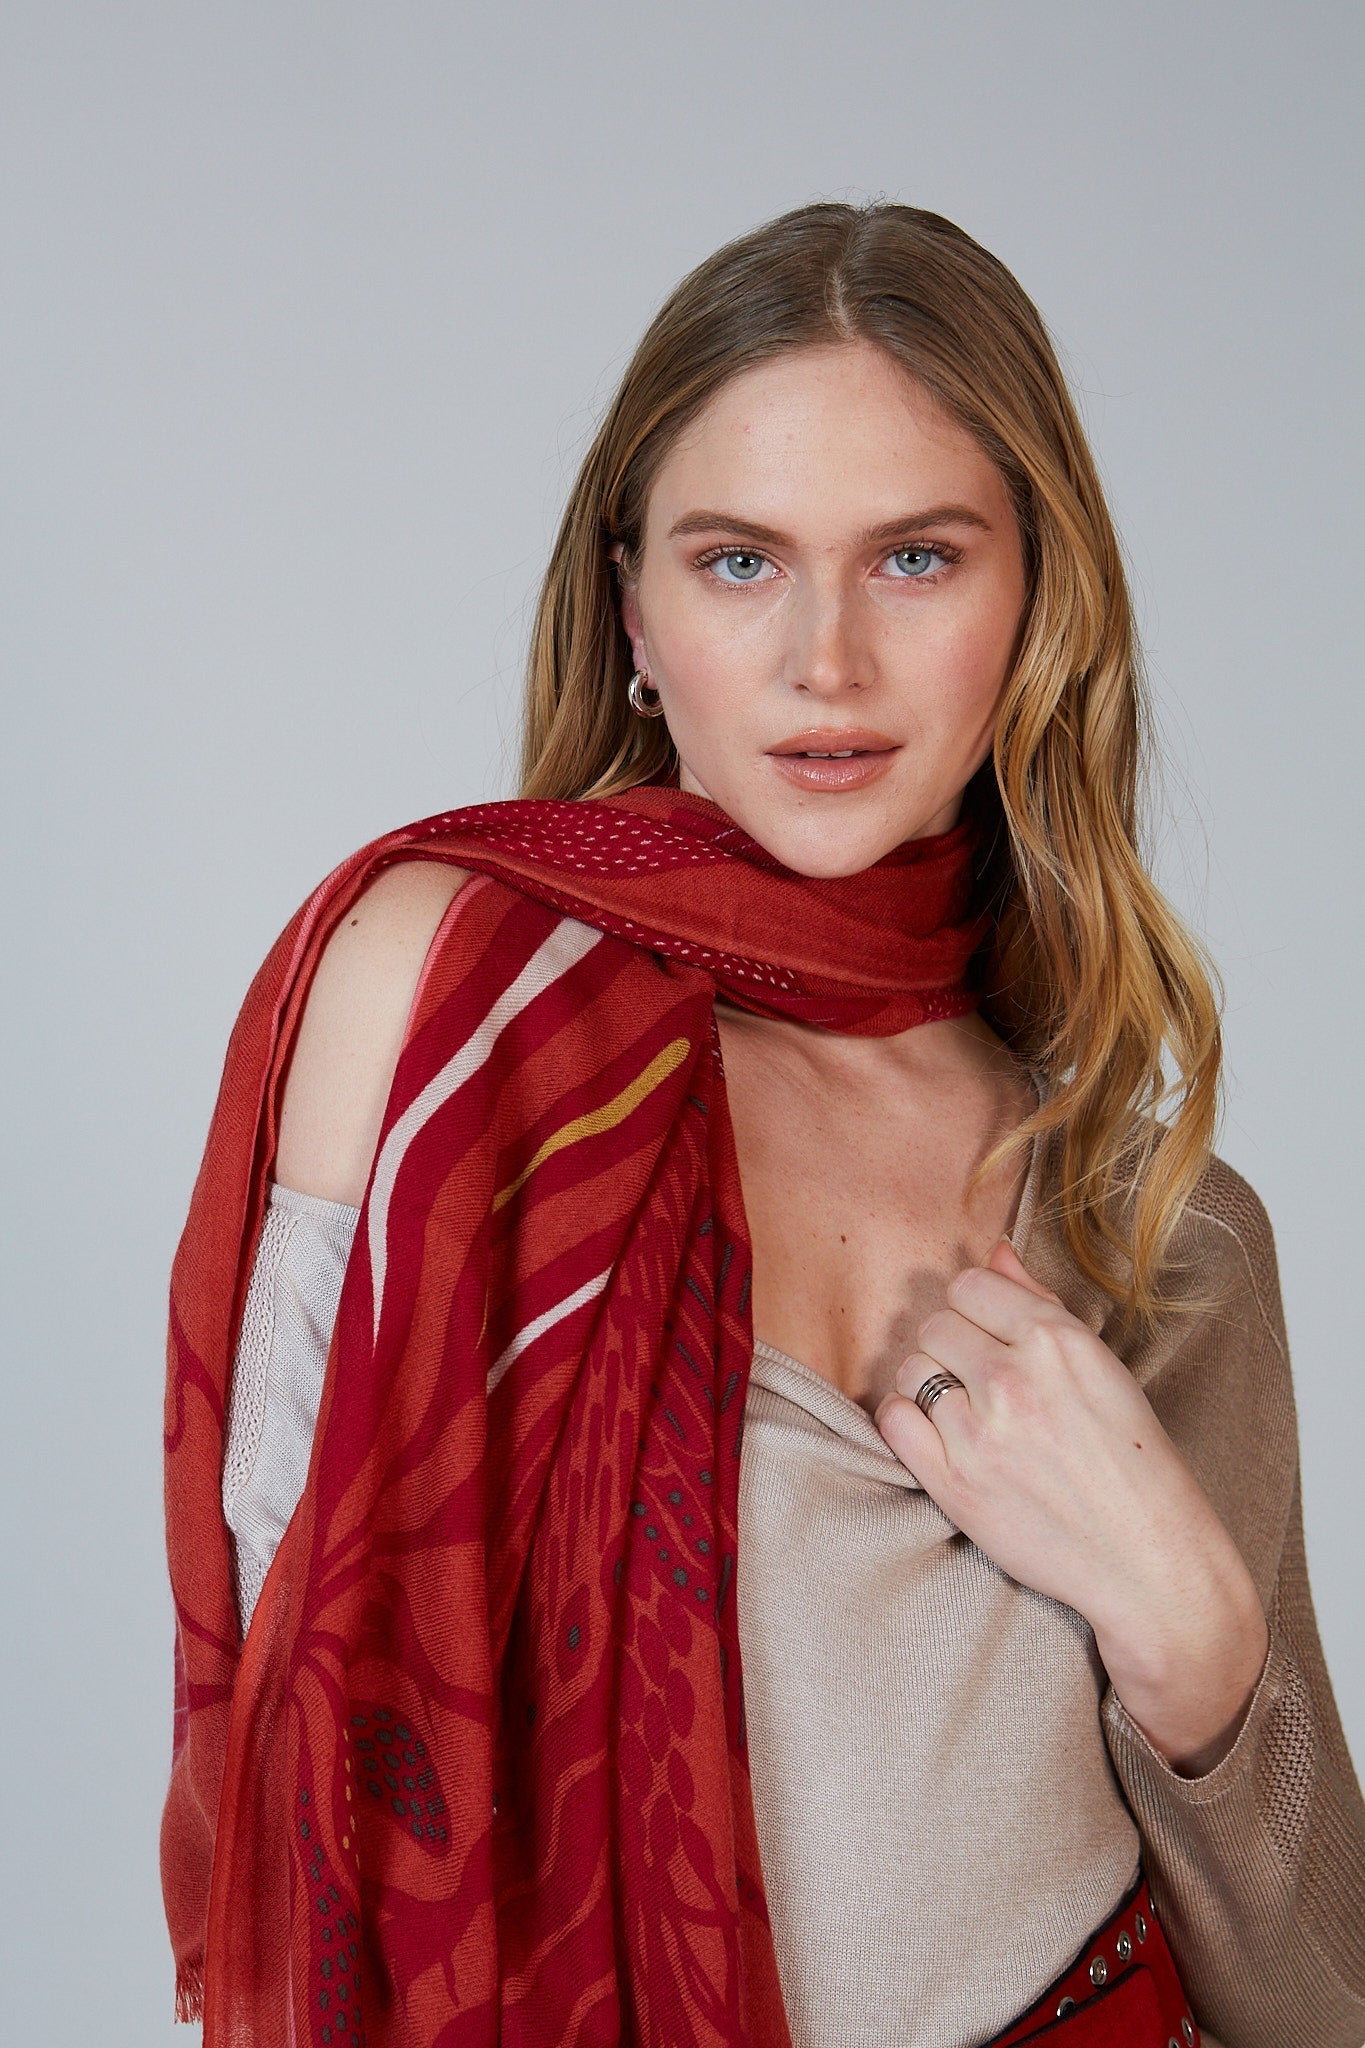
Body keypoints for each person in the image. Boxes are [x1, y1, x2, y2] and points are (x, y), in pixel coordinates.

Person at [159, 203, 1365, 2048]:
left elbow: (1320, 1995)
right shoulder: (448, 1015)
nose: (826, 659)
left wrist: (1198, 1647)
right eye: (739, 563)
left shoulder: (1154, 1226)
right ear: (633, 615)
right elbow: (300, 1764)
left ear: (1036, 604)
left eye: (915, 559)